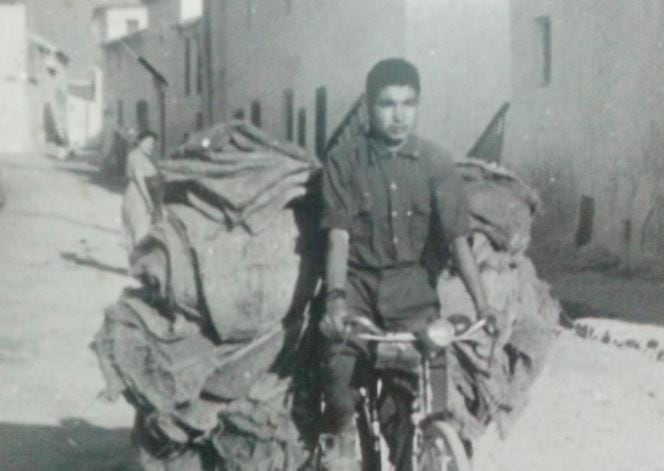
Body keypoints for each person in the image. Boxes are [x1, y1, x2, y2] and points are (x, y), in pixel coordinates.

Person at [318, 58, 498, 470]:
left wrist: (483, 305)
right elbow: (338, 236)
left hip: (413, 296)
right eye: (387, 104)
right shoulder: (344, 161)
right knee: (340, 383)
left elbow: (458, 240)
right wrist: (335, 302)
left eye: (408, 103)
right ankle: (339, 453)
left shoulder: (437, 163)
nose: (399, 115)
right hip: (358, 292)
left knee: (409, 404)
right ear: (368, 105)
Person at [122, 130, 163, 255]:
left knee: (137, 232)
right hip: (137, 195)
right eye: (149, 142)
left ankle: (134, 267)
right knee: (140, 231)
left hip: (138, 194)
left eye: (153, 143)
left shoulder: (142, 157)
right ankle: (137, 267)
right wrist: (148, 201)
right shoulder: (136, 156)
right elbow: (140, 180)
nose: (151, 146)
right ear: (139, 142)